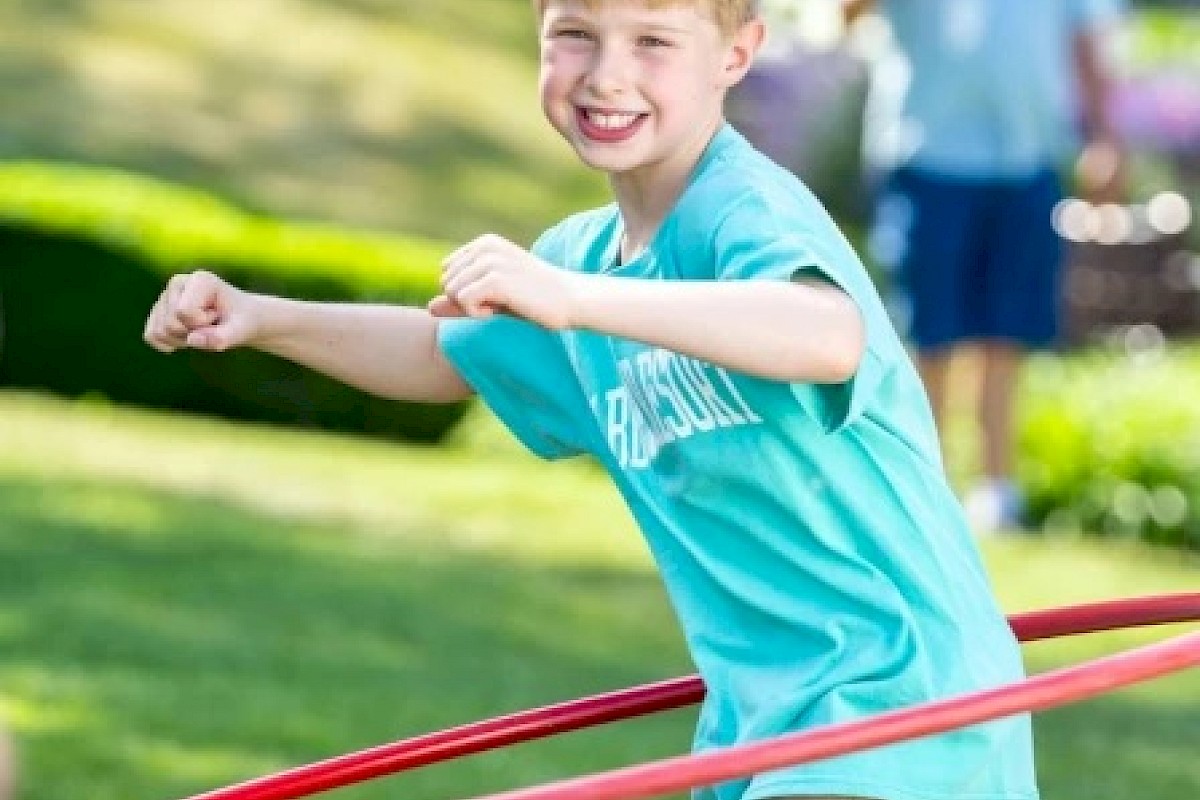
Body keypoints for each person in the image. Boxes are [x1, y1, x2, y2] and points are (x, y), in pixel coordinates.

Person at [144, 1, 1038, 799]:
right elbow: (442, 355)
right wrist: (261, 316)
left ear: (737, 53)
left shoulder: (743, 209)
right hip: (765, 716)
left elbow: (824, 333)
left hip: (905, 698)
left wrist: (575, 302)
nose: (607, 73)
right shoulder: (578, 259)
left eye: (653, 39)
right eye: (575, 33)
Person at [844, 0, 1126, 533]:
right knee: (931, 331)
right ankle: (925, 479)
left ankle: (998, 490)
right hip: (925, 154)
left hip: (1027, 156)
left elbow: (1085, 39)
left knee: (1006, 331)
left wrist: (1104, 136)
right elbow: (848, 15)